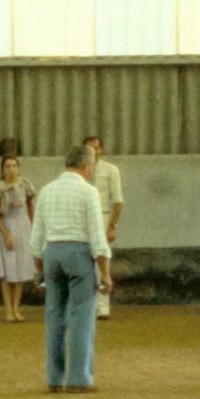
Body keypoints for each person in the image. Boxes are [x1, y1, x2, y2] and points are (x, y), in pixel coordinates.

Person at [31, 144, 113, 391]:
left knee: (54, 316)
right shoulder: (88, 192)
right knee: (82, 317)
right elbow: (97, 237)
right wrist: (106, 273)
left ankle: (54, 379)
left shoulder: (46, 191)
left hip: (52, 253)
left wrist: (38, 267)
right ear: (87, 166)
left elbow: (36, 236)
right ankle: (79, 378)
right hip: (78, 254)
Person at [0, 154, 37, 323]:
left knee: (21, 268)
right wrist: (6, 234)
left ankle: (17, 307)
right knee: (8, 271)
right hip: (7, 226)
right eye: (8, 166)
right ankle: (8, 308)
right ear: (2, 169)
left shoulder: (25, 186)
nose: (11, 169)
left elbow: (30, 207)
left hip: (24, 227)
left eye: (14, 165)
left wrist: (34, 229)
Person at [85, 134, 122, 318]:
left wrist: (112, 225)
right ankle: (86, 305)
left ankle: (103, 306)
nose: (93, 151)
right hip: (83, 218)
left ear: (101, 150)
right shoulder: (79, 171)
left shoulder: (111, 170)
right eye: (89, 148)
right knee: (84, 261)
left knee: (102, 261)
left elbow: (117, 200)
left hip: (103, 217)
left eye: (96, 148)